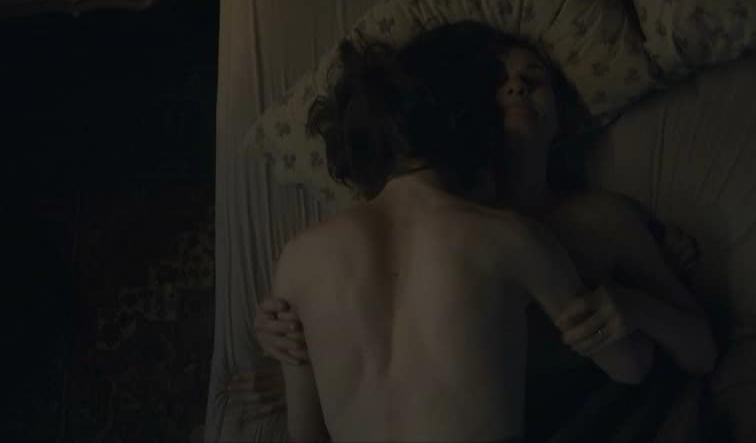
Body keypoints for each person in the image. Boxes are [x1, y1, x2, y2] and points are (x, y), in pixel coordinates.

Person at [228, 22, 718, 440]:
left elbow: (689, 352)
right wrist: (297, 343)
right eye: (495, 84)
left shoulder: (596, 222)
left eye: (533, 79)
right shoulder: (499, 237)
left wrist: (637, 306)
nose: (515, 90)